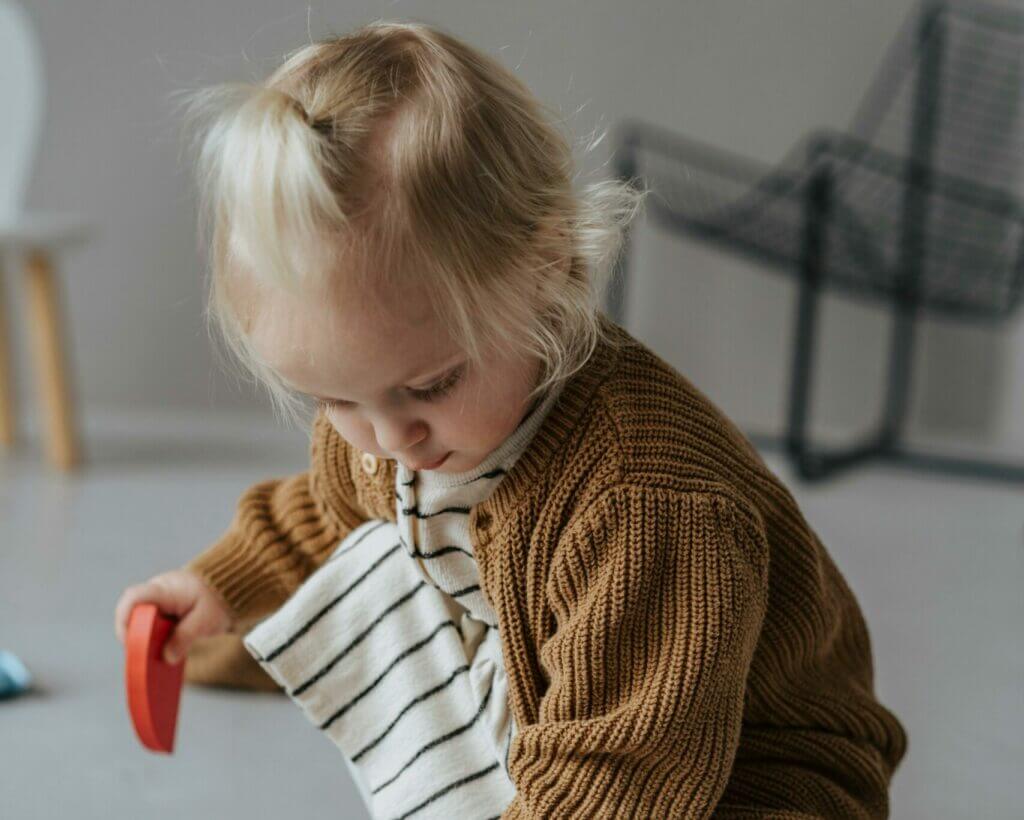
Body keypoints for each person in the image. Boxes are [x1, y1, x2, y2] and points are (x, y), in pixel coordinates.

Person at [114, 19, 907, 818]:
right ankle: (275, 643)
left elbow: (618, 778)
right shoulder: (397, 425)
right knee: (382, 547)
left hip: (742, 781)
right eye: (335, 399)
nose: (388, 437)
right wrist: (217, 584)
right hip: (554, 687)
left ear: (549, 268)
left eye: (432, 384)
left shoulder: (642, 507)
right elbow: (327, 508)